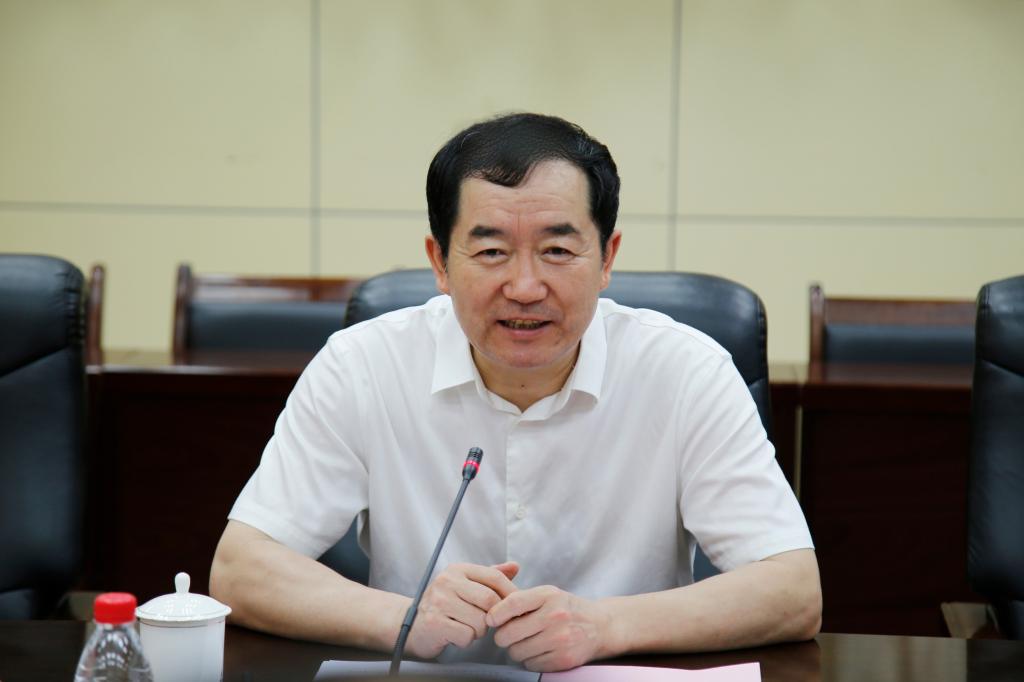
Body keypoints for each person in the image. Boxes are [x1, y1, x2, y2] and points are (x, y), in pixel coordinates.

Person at [210, 113, 821, 672]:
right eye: (492, 251)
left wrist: (605, 625)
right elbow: (240, 570)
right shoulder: (362, 366)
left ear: (606, 258)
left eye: (557, 250)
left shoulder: (687, 372)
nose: (525, 286)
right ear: (440, 263)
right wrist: (404, 618)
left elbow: (792, 591)